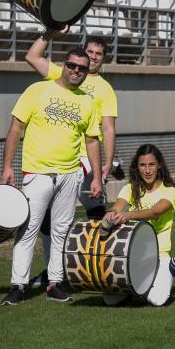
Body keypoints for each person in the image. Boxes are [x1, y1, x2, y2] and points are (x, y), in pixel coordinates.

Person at [0, 50, 102, 306]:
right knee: (28, 230)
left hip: (70, 174)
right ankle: (18, 286)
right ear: (63, 65)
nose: (77, 71)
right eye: (72, 65)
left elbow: (92, 141)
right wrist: (7, 166)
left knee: (60, 231)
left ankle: (55, 283)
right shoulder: (37, 90)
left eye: (83, 68)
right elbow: (15, 128)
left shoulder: (88, 102)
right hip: (37, 172)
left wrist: (97, 177)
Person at [25, 30, 118, 287]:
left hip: (88, 161)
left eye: (99, 54)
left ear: (103, 58)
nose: (94, 57)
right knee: (47, 219)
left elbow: (108, 128)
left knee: (97, 213)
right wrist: (50, 32)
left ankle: (100, 268)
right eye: (90, 52)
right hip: (57, 161)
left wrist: (107, 163)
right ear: (81, 55)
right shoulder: (65, 73)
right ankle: (53, 272)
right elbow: (32, 56)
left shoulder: (105, 89)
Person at [101, 144, 175, 306]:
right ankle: (136, 287)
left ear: (159, 166)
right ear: (136, 167)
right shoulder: (130, 188)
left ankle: (169, 268)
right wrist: (111, 214)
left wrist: (129, 215)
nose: (147, 170)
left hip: (160, 255)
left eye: (151, 164)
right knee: (110, 300)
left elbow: (155, 212)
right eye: (142, 165)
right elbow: (118, 206)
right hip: (132, 254)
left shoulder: (171, 191)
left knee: (157, 300)